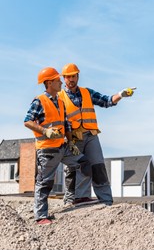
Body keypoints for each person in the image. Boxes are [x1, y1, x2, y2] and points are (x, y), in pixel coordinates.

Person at [58, 63, 135, 207]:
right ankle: (75, 199)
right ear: (63, 79)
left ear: (78, 76)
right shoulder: (59, 97)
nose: (71, 79)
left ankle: (106, 201)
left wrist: (121, 95)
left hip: (91, 135)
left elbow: (106, 101)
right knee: (75, 168)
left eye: (73, 76)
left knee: (98, 167)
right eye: (68, 77)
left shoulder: (87, 92)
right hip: (73, 138)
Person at [24, 67, 91, 225]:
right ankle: (41, 216)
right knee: (45, 182)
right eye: (57, 80)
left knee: (84, 163)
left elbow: (66, 125)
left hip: (63, 146)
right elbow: (27, 121)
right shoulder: (39, 100)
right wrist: (45, 131)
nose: (61, 82)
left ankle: (71, 198)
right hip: (47, 149)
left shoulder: (60, 102)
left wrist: (71, 142)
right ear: (49, 83)